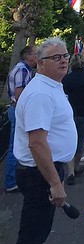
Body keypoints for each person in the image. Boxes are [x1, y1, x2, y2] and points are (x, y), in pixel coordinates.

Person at [8, 38, 77, 244]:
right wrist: (54, 183)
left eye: (65, 56)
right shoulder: (40, 94)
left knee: (37, 235)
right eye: (55, 57)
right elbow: (37, 143)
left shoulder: (51, 87)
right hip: (37, 174)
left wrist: (58, 175)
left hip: (45, 170)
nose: (63, 61)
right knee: (30, 239)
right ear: (40, 63)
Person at [61, 54, 84, 185]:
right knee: (81, 140)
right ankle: (76, 166)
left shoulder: (67, 78)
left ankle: (70, 171)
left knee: (70, 140)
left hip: (70, 112)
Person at [5, 45, 38, 193]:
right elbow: (20, 95)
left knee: (16, 144)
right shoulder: (23, 70)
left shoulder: (22, 69)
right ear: (29, 56)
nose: (38, 56)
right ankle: (11, 182)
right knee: (15, 146)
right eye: (36, 53)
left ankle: (13, 180)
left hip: (15, 109)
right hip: (18, 110)